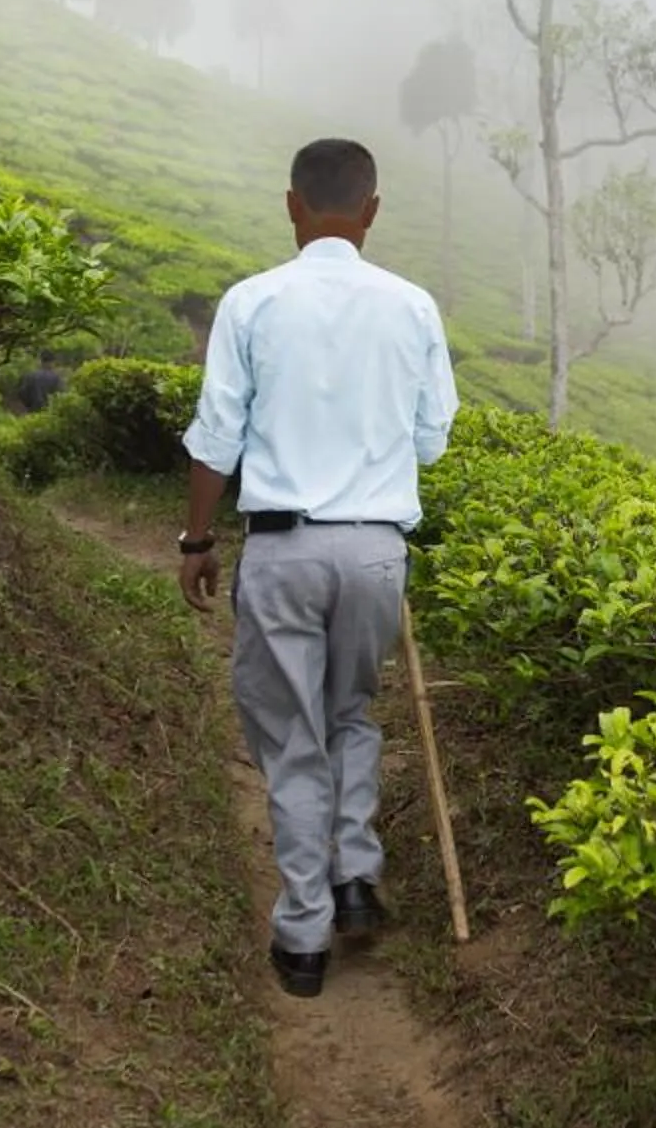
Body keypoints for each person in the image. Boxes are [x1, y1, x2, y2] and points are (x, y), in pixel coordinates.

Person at [177, 137, 459, 999]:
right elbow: (431, 439)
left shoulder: (253, 302)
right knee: (352, 714)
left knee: (291, 734)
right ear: (372, 211)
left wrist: (195, 542)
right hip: (375, 550)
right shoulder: (413, 307)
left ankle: (304, 934)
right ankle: (355, 876)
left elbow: (218, 434)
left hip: (283, 547)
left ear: (292, 206)